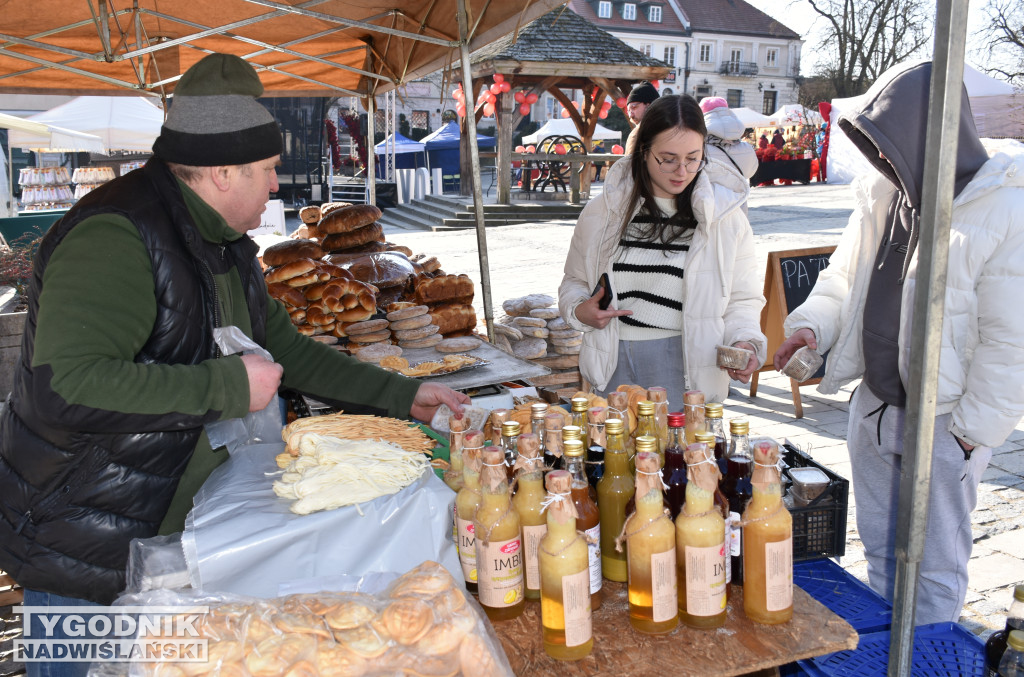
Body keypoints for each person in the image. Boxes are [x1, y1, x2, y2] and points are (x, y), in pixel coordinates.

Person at [0, 52, 469, 665]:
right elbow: (69, 385)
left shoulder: (227, 249)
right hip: (87, 546)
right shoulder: (114, 237)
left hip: (178, 534)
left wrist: (403, 395)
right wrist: (224, 385)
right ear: (224, 173)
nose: (277, 183)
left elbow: (289, 351)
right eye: (269, 169)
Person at [773, 60, 1024, 625]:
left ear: (932, 136)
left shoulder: (1006, 211)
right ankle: (891, 648)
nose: (881, 157)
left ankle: (930, 654)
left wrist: (968, 438)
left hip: (945, 421)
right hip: (875, 405)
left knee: (933, 568)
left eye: (890, 144)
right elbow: (844, 277)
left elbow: (1012, 346)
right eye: (874, 145)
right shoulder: (884, 196)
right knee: (882, 550)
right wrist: (812, 326)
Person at [558, 94, 766, 409]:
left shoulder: (726, 217)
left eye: (693, 158)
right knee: (615, 456)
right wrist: (578, 310)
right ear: (643, 152)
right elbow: (573, 279)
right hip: (612, 365)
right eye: (667, 158)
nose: (682, 171)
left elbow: (743, 298)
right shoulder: (602, 211)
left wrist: (745, 341)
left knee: (681, 456)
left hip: (689, 369)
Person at [699, 96, 758, 183]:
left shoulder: (700, 149)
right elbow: (750, 173)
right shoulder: (747, 148)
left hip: (708, 194)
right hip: (738, 194)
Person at [623, 81, 660, 155]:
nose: (630, 115)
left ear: (648, 106)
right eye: (628, 111)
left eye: (634, 107)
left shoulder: (639, 133)